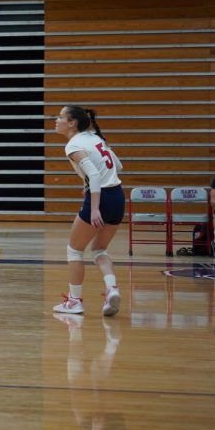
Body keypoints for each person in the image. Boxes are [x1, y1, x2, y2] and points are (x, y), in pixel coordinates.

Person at [53, 106, 124, 317]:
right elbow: (118, 166)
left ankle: (74, 302)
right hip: (118, 197)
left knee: (74, 250)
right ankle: (112, 288)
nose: (56, 120)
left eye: (60, 117)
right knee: (99, 250)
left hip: (100, 199)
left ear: (72, 123)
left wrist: (94, 208)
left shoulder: (74, 144)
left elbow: (93, 175)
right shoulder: (94, 138)